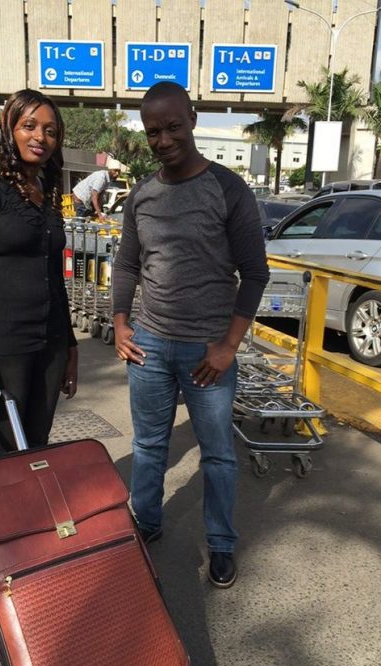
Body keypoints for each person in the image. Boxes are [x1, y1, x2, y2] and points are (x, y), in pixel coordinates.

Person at [112, 82, 269, 589]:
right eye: (153, 131)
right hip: (151, 346)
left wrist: (228, 347)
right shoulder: (142, 195)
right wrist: (119, 322)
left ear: (193, 119)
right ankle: (147, 523)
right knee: (151, 446)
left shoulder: (228, 189)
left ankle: (221, 545)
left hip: (209, 353)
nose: (163, 139)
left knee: (218, 454)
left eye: (173, 126)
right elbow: (126, 265)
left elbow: (255, 273)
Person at [0, 89, 78, 456]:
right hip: (5, 349)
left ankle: (30, 515)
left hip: (51, 343)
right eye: (29, 126)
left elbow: (55, 277)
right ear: (9, 128)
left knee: (37, 447)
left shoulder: (47, 188)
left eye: (51, 131)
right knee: (4, 454)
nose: (40, 137)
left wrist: (71, 346)